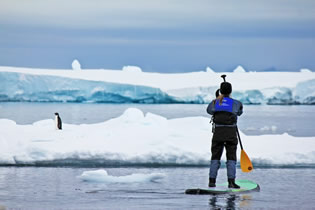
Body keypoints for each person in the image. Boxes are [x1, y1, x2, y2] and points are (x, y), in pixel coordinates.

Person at [206, 75, 243, 188]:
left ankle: (212, 181)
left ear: (220, 90)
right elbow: (239, 112)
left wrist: (217, 98)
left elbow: (209, 111)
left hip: (218, 133)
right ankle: (231, 182)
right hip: (231, 133)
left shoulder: (214, 102)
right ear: (231, 91)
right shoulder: (236, 103)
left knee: (215, 157)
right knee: (231, 157)